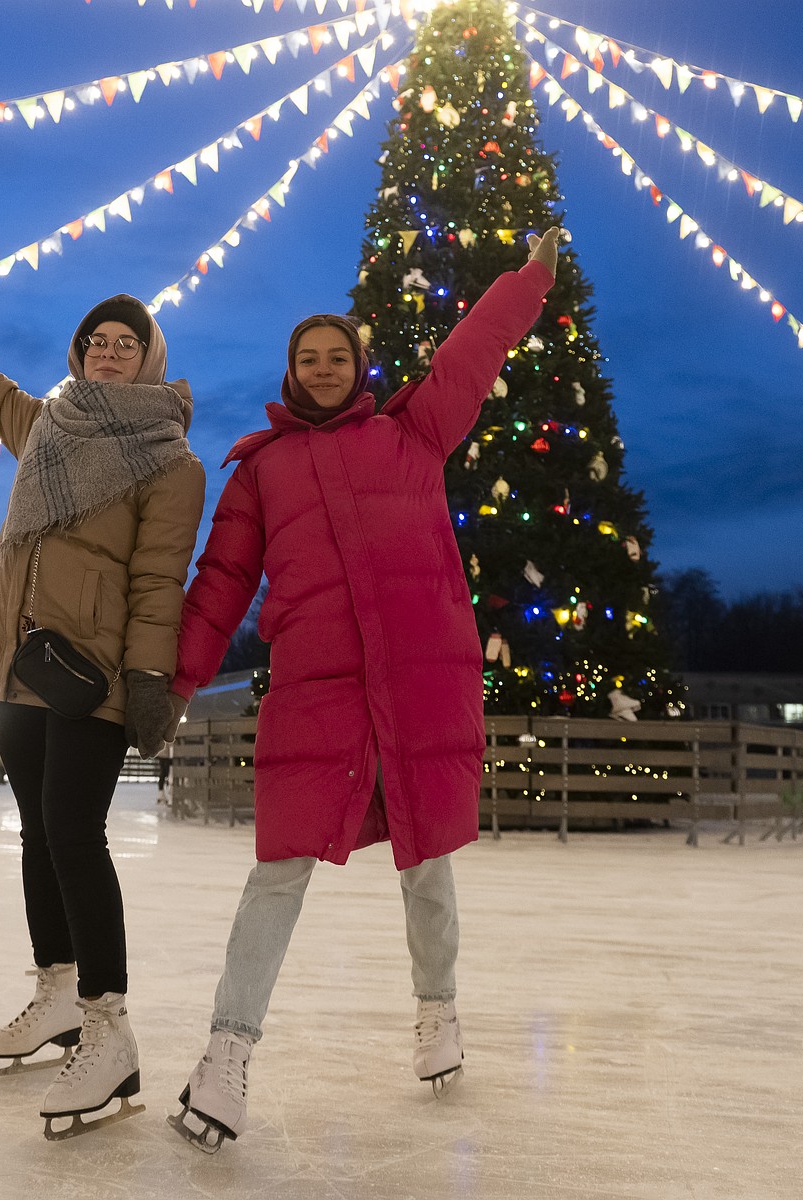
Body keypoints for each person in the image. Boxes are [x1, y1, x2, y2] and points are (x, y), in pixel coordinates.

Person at [165, 230, 560, 1152]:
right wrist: (178, 681)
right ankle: (226, 1054)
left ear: (359, 365)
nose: (325, 368)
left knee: (427, 863)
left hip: (421, 683)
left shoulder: (412, 431)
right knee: (279, 871)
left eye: (338, 355)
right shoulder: (261, 470)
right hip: (319, 692)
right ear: (291, 372)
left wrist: (526, 279)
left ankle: (439, 1013)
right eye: (310, 358)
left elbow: (471, 355)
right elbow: (220, 584)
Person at [0, 269, 205, 1139]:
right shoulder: (45, 425)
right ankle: (57, 993)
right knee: (39, 831)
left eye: (125, 344)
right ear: (80, 355)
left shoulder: (170, 462)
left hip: (95, 674)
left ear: (149, 360)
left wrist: (150, 682)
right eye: (95, 343)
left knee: (75, 833)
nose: (108, 353)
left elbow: (158, 582)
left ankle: (110, 1028)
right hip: (14, 664)